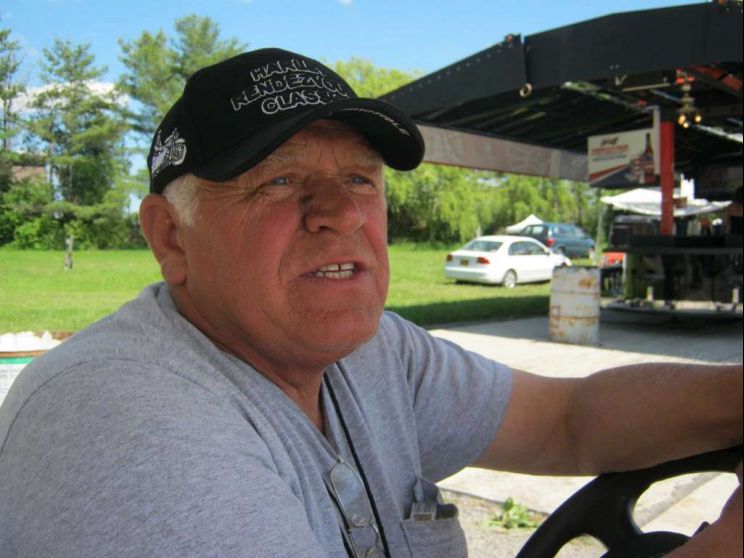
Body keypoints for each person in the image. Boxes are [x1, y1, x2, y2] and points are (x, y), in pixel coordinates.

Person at [0, 48, 741, 558]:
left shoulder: (374, 353)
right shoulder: (115, 416)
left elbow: (567, 421)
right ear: (171, 237)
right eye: (280, 181)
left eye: (360, 179)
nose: (342, 213)